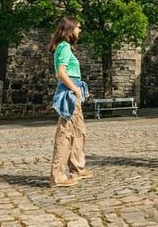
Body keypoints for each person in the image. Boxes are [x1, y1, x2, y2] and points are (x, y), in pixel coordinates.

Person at [49, 17, 92, 187]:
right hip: (69, 93)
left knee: (79, 131)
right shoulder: (64, 47)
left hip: (73, 92)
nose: (80, 30)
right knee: (65, 133)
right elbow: (61, 72)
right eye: (78, 27)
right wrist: (75, 89)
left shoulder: (65, 47)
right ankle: (57, 176)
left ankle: (77, 168)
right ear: (70, 28)